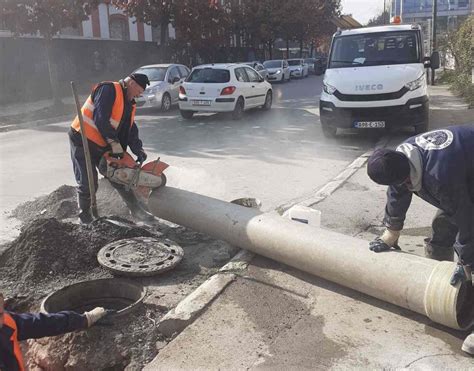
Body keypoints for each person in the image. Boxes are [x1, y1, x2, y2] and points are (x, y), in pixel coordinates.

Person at [366, 125, 474, 355]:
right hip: (464, 173)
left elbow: (467, 220)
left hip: (462, 175)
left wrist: (466, 263)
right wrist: (391, 232)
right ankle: (444, 291)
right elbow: (397, 191)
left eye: (402, 183)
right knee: (443, 227)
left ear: (407, 178)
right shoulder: (400, 156)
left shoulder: (440, 176)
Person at [69, 73, 155, 224]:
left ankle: (136, 210)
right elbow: (100, 117)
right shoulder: (109, 89)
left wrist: (138, 150)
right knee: (88, 181)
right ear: (132, 84)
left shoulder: (129, 103)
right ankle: (85, 217)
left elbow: (129, 130)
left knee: (119, 175)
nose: (139, 95)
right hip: (82, 140)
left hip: (102, 143)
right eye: (139, 91)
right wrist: (114, 143)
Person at [0, 293, 108, 370]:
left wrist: (84, 319)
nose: (1, 320)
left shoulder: (7, 322)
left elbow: (43, 323)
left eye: (1, 313)